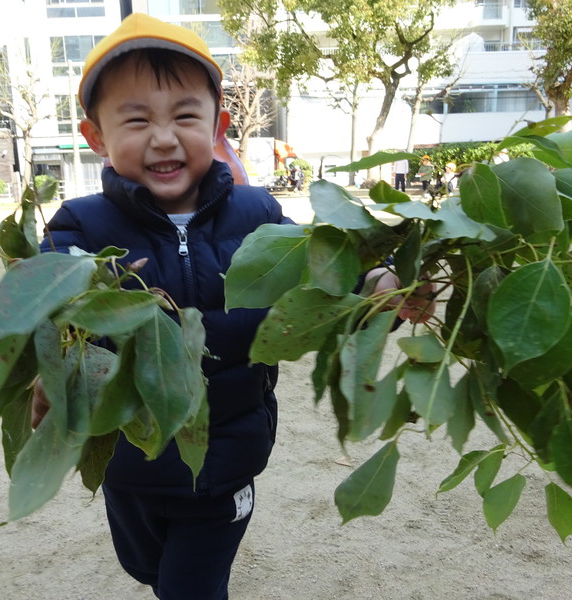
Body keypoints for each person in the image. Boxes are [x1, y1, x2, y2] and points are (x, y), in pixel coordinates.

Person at [30, 13, 433, 600]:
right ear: (97, 137)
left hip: (225, 454)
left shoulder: (259, 216)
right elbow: (55, 307)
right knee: (145, 566)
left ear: (218, 125)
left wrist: (380, 288)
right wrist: (49, 362)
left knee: (189, 586)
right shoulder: (81, 226)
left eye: (184, 116)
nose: (163, 137)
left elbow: (325, 277)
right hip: (128, 460)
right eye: (136, 119)